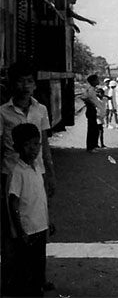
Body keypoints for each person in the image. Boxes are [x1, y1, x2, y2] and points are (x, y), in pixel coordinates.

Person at [0, 61, 56, 293]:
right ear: (13, 84)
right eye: (21, 81)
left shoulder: (40, 110)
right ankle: (12, 281)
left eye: (30, 81)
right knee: (13, 228)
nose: (26, 86)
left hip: (36, 173)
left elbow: (44, 145)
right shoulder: (2, 112)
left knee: (37, 224)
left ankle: (38, 278)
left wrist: (50, 174)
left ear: (35, 84)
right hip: (11, 174)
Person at [6, 123, 49, 296]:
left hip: (40, 227)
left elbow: (41, 198)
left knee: (39, 268)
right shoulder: (17, 172)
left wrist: (48, 220)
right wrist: (19, 230)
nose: (33, 149)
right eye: (28, 145)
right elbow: (13, 202)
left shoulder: (36, 167)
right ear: (18, 147)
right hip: (27, 231)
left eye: (36, 144)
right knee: (26, 272)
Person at [81, 74, 101, 152]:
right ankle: (90, 147)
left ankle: (93, 146)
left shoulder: (93, 89)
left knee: (94, 128)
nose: (98, 81)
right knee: (92, 129)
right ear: (93, 81)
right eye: (97, 79)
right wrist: (91, 104)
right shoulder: (90, 89)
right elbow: (84, 97)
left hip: (93, 110)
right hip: (91, 110)